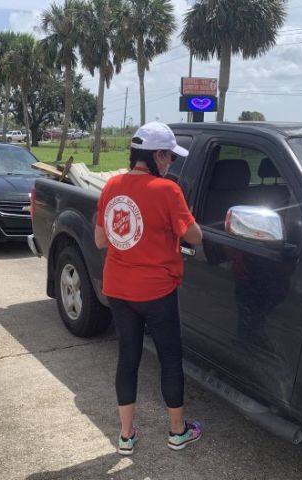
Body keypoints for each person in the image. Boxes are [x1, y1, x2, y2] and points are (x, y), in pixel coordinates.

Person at [94, 122, 204, 455]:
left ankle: (126, 436)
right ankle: (177, 432)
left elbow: (100, 239)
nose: (171, 163)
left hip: (118, 287)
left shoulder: (112, 185)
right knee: (170, 358)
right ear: (156, 155)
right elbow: (195, 236)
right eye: (169, 157)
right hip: (157, 291)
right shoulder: (167, 190)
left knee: (128, 357)